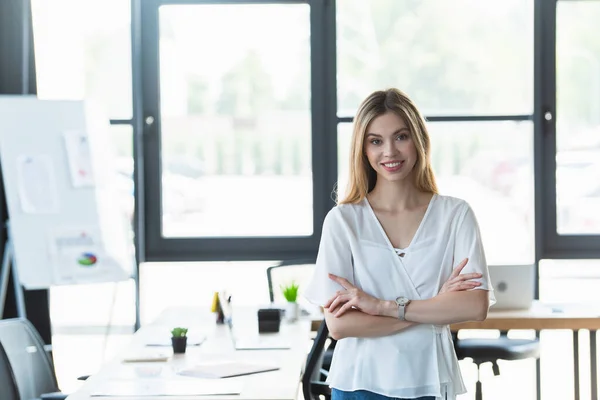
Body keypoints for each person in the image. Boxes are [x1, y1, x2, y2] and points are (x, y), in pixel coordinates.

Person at [303, 88, 495, 400]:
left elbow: (475, 306)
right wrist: (434, 307)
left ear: (419, 140)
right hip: (359, 383)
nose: (389, 151)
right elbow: (339, 324)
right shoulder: (344, 222)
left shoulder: (455, 215)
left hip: (430, 380)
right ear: (363, 150)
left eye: (401, 136)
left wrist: (381, 307)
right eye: (375, 141)